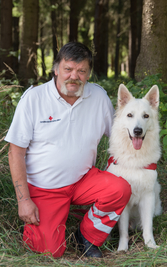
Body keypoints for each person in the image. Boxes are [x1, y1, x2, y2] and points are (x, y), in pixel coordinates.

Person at [5, 42, 132, 258]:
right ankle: (55, 219)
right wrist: (23, 200)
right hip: (45, 188)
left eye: (81, 71)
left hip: (83, 180)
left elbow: (120, 140)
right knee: (50, 251)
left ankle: (87, 236)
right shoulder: (34, 99)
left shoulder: (99, 97)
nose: (74, 76)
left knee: (120, 189)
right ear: (56, 70)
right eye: (68, 69)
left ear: (89, 73)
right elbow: (15, 152)